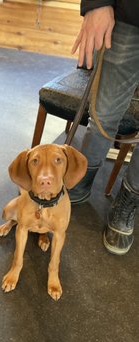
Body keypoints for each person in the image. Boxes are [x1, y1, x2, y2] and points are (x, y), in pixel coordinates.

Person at [69, 1, 139, 255]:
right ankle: (81, 177)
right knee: (105, 113)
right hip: (131, 16)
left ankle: (128, 201)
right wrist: (97, 3)